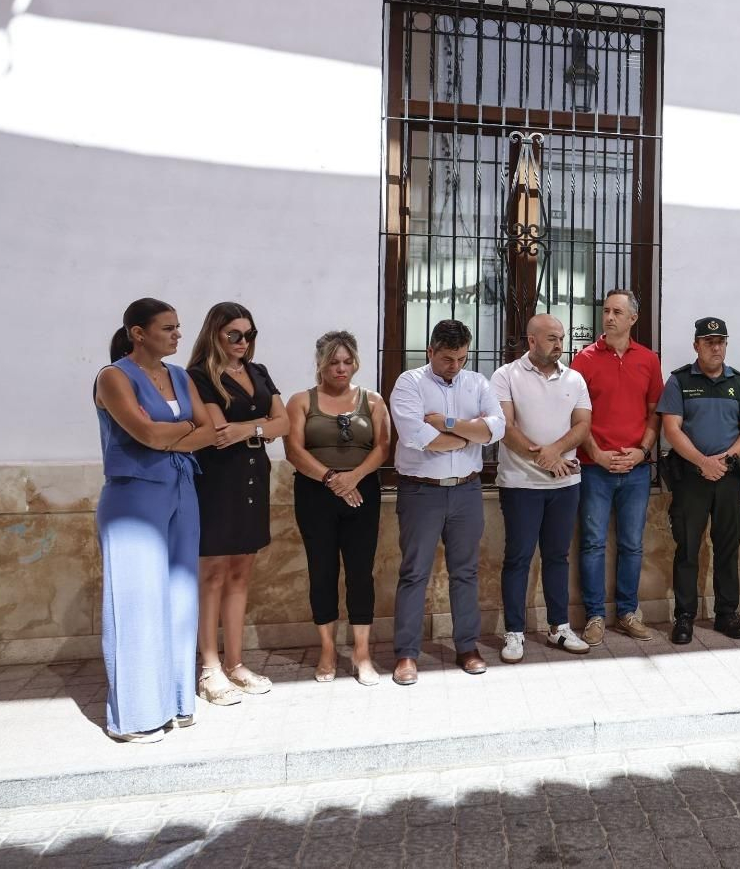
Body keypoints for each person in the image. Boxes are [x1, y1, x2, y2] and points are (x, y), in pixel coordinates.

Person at [94, 299, 219, 741]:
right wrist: (183, 432)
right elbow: (144, 432)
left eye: (178, 327)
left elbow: (212, 432)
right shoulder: (113, 377)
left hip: (183, 488)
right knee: (138, 603)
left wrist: (173, 435)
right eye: (168, 327)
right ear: (138, 332)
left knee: (181, 596)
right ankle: (138, 716)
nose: (178, 334)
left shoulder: (180, 376)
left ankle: (178, 702)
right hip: (133, 496)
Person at [388, 318, 505, 685]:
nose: (455, 366)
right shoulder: (410, 383)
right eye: (447, 359)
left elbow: (494, 429)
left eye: (461, 358)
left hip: (467, 491)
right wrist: (466, 435)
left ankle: (467, 647)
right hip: (421, 491)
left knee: (466, 572)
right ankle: (406, 653)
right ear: (430, 351)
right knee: (414, 573)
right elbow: (415, 436)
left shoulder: (478, 383)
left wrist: (447, 422)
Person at [187, 302, 288, 705]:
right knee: (212, 571)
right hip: (216, 479)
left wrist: (252, 428)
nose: (243, 342)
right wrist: (263, 428)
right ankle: (209, 667)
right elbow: (217, 431)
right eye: (234, 334)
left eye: (249, 334)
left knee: (242, 572)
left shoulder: (258, 372)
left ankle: (235, 663)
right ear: (215, 333)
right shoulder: (199, 375)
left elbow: (285, 424)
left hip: (252, 475)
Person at [283, 330, 392, 685]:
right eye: (333, 361)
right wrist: (332, 479)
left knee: (361, 572)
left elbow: (382, 447)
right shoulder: (301, 401)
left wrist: (353, 477)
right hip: (316, 495)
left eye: (347, 361)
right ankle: (327, 649)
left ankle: (361, 652)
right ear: (321, 363)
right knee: (322, 571)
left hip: (362, 493)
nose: (340, 368)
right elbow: (294, 451)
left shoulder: (373, 401)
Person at [491, 314, 593, 661]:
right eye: (551, 338)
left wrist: (555, 452)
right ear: (531, 341)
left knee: (557, 557)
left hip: (566, 484)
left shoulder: (575, 378)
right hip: (520, 484)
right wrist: (544, 459)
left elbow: (582, 425)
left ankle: (559, 628)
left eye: (561, 338)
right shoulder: (505, 376)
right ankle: (514, 633)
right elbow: (503, 426)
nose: (559, 345)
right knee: (518, 558)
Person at [657, 317, 740, 644]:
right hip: (691, 478)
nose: (716, 347)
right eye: (709, 342)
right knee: (687, 549)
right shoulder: (679, 382)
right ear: (696, 345)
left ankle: (727, 614)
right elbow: (671, 429)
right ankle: (684, 617)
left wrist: (726, 461)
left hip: (728, 478)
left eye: (721, 341)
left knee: (728, 548)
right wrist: (702, 462)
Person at [571, 290, 662, 646]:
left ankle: (627, 613)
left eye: (617, 312)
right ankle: (594, 616)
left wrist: (642, 451)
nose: (609, 317)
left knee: (632, 545)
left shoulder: (648, 360)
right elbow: (577, 414)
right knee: (592, 544)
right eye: (606, 310)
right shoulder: (585, 359)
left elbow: (655, 412)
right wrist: (597, 452)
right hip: (594, 468)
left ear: (632, 319)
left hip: (636, 469)